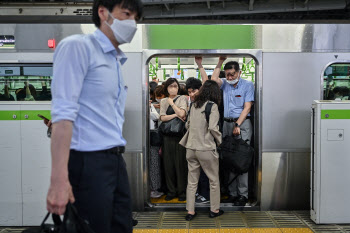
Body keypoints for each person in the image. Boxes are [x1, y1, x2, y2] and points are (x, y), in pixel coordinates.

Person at [46, 1, 143, 233]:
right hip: (88, 163)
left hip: (115, 161)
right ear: (103, 13)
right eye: (126, 14)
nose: (132, 24)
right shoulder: (78, 47)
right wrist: (58, 180)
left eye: (136, 19)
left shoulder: (114, 60)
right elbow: (63, 116)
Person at [207, 57, 254, 206]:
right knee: (229, 158)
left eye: (232, 74)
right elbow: (213, 80)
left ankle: (243, 194)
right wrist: (220, 62)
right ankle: (232, 192)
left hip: (241, 123)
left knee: (241, 158)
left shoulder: (247, 85)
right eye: (227, 74)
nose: (229, 77)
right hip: (226, 124)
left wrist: (237, 124)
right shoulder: (225, 84)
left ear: (239, 73)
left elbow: (247, 107)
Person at [180, 80, 223, 220]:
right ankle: (214, 210)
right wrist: (220, 141)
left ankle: (190, 212)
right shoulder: (213, 106)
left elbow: (188, 125)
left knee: (192, 182)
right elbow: (212, 128)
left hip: (191, 148)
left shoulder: (194, 105)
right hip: (205, 148)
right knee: (213, 180)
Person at [159, 78, 188, 201]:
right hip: (167, 137)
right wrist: (176, 114)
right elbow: (162, 117)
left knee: (181, 164)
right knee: (168, 164)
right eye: (170, 86)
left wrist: (172, 104)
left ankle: (182, 191)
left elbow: (183, 114)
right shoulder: (163, 101)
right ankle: (171, 190)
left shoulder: (182, 98)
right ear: (166, 88)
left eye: (175, 86)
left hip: (180, 136)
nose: (173, 88)